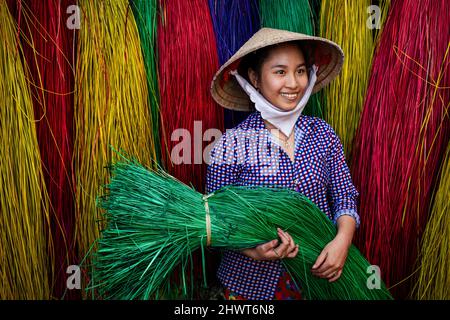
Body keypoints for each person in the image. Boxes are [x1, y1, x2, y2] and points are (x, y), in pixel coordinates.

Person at [207, 28, 360, 300]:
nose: (293, 83)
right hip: (249, 287)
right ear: (254, 78)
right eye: (280, 72)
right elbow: (216, 217)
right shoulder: (231, 144)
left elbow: (345, 195)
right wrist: (249, 250)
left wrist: (342, 242)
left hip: (316, 279)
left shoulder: (322, 134)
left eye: (300, 71)